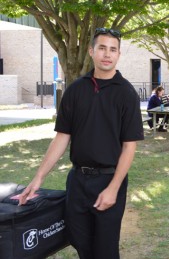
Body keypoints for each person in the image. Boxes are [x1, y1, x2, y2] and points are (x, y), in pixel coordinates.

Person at [18, 27, 144, 259]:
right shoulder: (76, 90)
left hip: (109, 179)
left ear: (118, 54)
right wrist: (38, 178)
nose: (107, 54)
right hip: (77, 181)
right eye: (102, 48)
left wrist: (113, 189)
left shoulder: (126, 94)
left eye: (113, 50)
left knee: (105, 251)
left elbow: (129, 146)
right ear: (91, 51)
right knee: (79, 242)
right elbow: (62, 137)